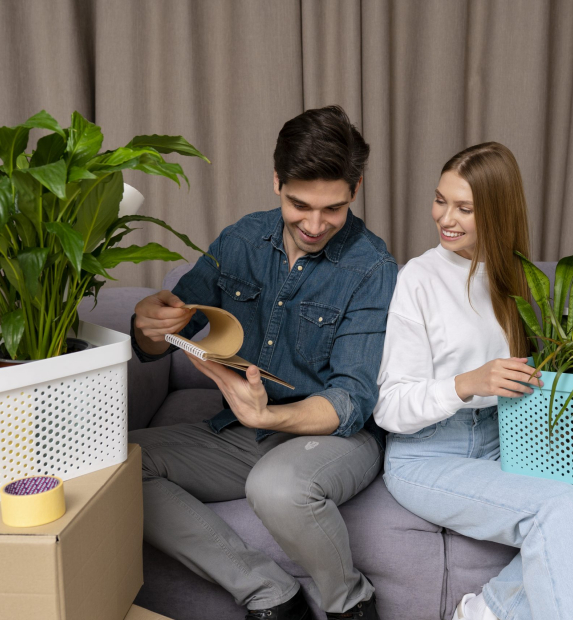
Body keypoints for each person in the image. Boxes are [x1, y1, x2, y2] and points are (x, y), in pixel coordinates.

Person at [129, 106, 396, 620]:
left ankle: (351, 605)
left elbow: (353, 398)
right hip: (245, 432)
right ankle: (271, 595)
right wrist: (153, 328)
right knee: (115, 466)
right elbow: (172, 332)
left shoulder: (374, 267)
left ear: (355, 191)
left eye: (333, 209)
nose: (315, 224)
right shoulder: (241, 239)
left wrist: (269, 416)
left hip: (335, 437)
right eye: (300, 205)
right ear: (276, 180)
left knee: (275, 487)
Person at [373, 142, 573, 620]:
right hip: (428, 454)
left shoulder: (515, 279)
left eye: (465, 208)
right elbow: (390, 407)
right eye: (441, 200)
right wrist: (469, 382)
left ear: (497, 213)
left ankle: (488, 611)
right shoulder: (418, 278)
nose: (445, 218)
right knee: (558, 507)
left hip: (506, 439)